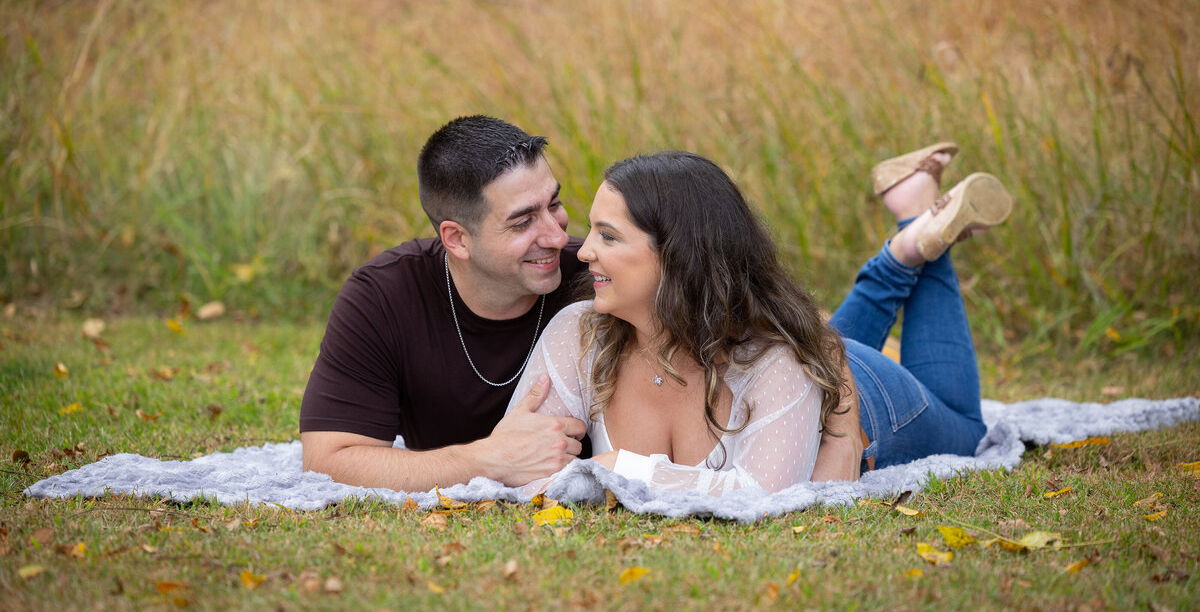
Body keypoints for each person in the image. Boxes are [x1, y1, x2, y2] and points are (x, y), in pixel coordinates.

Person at [299, 114, 860, 492]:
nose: (563, 240)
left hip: (833, 382)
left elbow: (776, 323)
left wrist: (837, 393)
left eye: (556, 204)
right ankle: (908, 248)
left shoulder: (595, 274)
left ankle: (901, 256)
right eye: (523, 220)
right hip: (731, 371)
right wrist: (483, 461)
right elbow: (329, 458)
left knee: (908, 386)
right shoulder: (386, 298)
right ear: (457, 239)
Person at [507, 144, 1011, 494]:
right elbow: (520, 468)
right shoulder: (579, 333)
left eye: (609, 236)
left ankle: (916, 234)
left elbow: (766, 496)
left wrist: (621, 469)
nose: (584, 252)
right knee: (814, 345)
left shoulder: (775, 360)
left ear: (679, 256)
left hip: (864, 396)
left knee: (968, 432)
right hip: (798, 358)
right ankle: (910, 229)